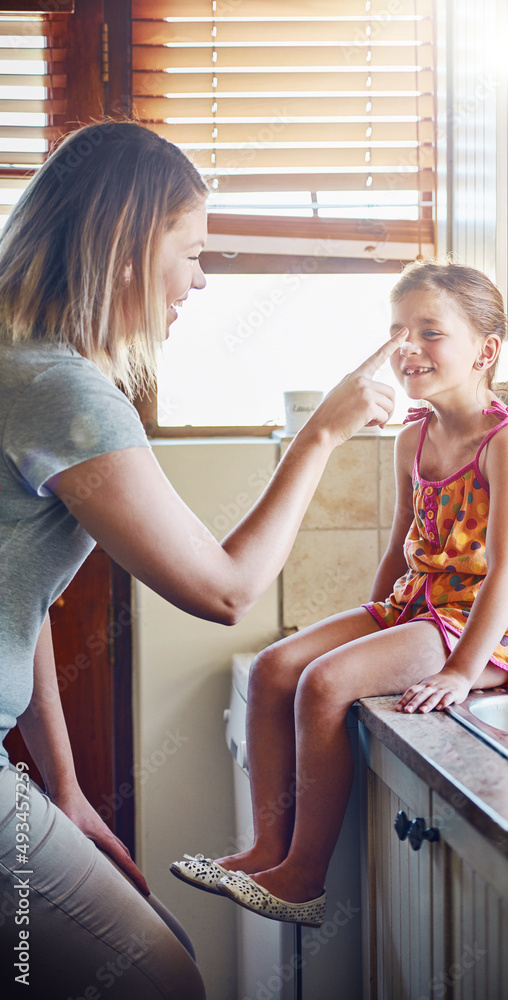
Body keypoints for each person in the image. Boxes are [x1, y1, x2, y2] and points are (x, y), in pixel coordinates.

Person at [0, 120, 404, 998]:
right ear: (125, 247)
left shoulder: (18, 365)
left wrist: (62, 788)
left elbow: (13, 603)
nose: (200, 277)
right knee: (157, 980)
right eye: (191, 250)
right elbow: (225, 592)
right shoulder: (62, 392)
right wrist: (322, 431)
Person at [171, 260, 508, 928]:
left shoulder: (505, 439)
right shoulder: (411, 438)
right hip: (414, 610)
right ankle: (265, 848)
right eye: (399, 330)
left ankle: (303, 878)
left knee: (323, 682)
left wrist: (460, 670)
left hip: (473, 628)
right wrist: (373, 620)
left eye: (429, 331)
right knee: (277, 666)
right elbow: (401, 546)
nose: (407, 347)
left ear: (485, 350)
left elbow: (506, 568)